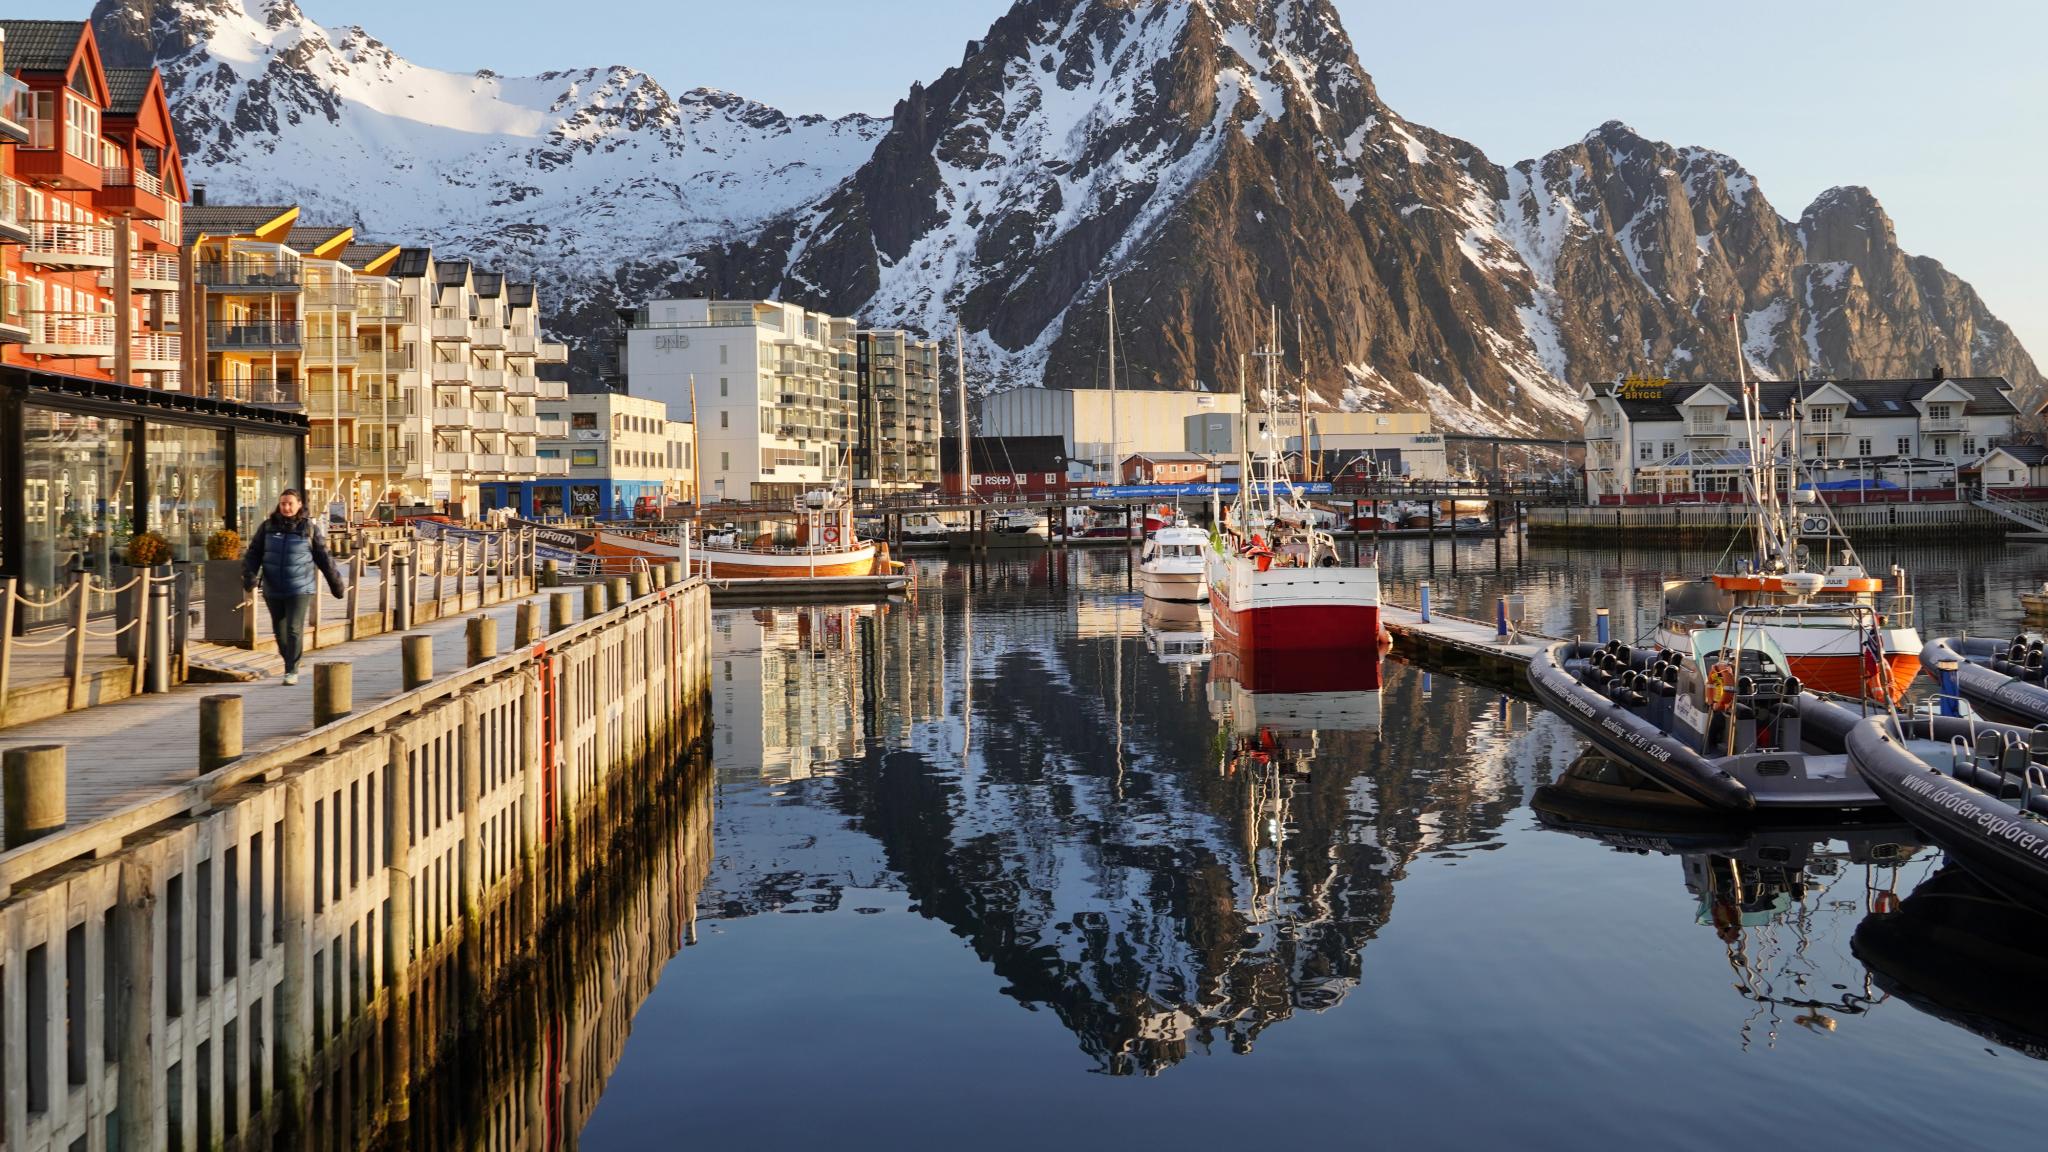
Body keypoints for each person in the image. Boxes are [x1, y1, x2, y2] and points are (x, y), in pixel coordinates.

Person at [242, 489, 346, 685]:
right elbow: (253, 554)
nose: (286, 507)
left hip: (300, 588)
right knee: (279, 632)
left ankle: (292, 669)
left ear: (299, 504)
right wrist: (249, 576)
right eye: (283, 504)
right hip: (273, 588)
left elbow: (324, 558)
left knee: (293, 629)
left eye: (290, 503)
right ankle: (289, 661)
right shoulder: (267, 527)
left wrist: (336, 585)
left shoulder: (309, 529)